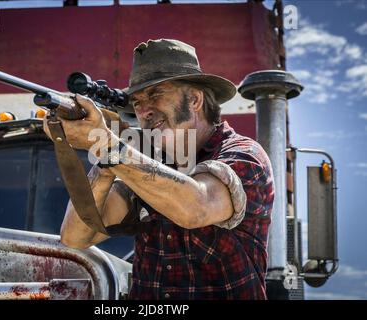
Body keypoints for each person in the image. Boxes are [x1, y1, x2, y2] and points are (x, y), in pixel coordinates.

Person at [43, 39, 274, 300]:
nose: (144, 110)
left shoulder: (245, 155)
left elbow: (195, 208)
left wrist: (111, 146)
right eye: (138, 102)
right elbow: (76, 236)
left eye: (156, 94)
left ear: (195, 99)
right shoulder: (139, 161)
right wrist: (105, 157)